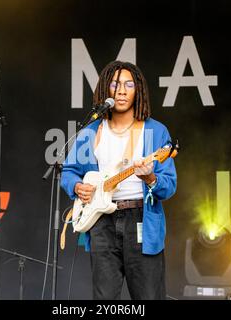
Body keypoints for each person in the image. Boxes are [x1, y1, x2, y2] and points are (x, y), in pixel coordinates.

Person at [61, 61, 177, 300]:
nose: (122, 91)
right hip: (102, 223)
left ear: (139, 90)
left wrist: (151, 177)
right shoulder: (90, 132)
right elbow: (69, 171)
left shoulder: (155, 132)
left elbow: (169, 185)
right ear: (106, 90)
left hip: (141, 219)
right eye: (115, 84)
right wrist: (76, 186)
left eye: (129, 84)